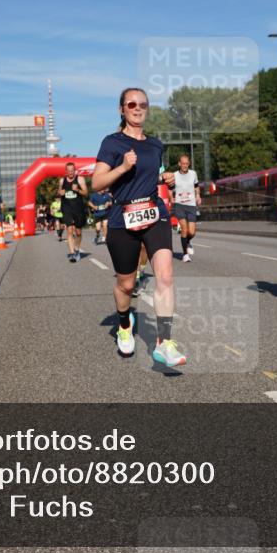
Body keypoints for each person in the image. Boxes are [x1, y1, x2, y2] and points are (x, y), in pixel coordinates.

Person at [92, 87, 185, 366]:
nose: (137, 108)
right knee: (127, 283)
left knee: (165, 275)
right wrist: (121, 168)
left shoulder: (155, 145)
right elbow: (96, 183)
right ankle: (123, 324)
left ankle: (164, 342)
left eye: (143, 104)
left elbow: (151, 176)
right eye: (131, 104)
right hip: (123, 217)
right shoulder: (112, 143)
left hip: (154, 213)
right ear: (122, 109)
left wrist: (165, 178)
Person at [171, 154, 201, 262]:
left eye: (186, 163)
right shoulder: (174, 175)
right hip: (180, 205)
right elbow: (170, 189)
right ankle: (185, 254)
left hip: (191, 205)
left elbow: (196, 186)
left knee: (192, 232)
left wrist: (198, 195)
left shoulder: (193, 174)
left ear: (189, 163)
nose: (184, 165)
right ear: (179, 163)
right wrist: (171, 198)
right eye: (183, 163)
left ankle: (188, 241)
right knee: (184, 229)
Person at [59, 162, 89, 262]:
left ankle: (76, 250)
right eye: (69, 171)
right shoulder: (62, 180)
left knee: (78, 232)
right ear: (66, 171)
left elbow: (86, 193)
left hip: (78, 209)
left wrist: (78, 190)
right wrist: (60, 193)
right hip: (67, 208)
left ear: (74, 170)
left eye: (72, 170)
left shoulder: (80, 179)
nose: (71, 172)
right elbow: (59, 192)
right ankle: (72, 254)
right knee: (70, 230)